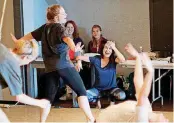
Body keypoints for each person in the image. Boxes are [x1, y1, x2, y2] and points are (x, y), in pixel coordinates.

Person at [12, 4, 95, 123]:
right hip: (64, 66)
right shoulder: (59, 27)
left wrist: (17, 41)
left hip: (50, 68)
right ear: (56, 18)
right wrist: (74, 48)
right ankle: (91, 120)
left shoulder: (44, 28)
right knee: (81, 91)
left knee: (48, 98)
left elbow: (28, 36)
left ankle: (42, 121)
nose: (66, 15)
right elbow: (67, 39)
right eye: (63, 13)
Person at [0, 39, 49, 122]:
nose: (27, 63)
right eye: (29, 61)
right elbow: (19, 97)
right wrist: (41, 103)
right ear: (25, 57)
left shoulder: (3, 48)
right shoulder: (13, 65)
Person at [124, 43, 169, 122]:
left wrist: (151, 72)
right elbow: (139, 85)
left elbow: (143, 96)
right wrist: (138, 57)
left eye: (165, 121)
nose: (167, 119)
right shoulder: (147, 113)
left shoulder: (143, 119)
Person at [77, 41, 126, 108]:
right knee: (81, 97)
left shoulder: (114, 59)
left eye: (110, 48)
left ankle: (112, 100)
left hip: (112, 89)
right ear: (102, 49)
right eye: (106, 48)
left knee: (122, 95)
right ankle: (97, 100)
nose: (108, 50)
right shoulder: (96, 59)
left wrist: (114, 47)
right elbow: (79, 57)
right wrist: (79, 62)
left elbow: (123, 60)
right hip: (97, 89)